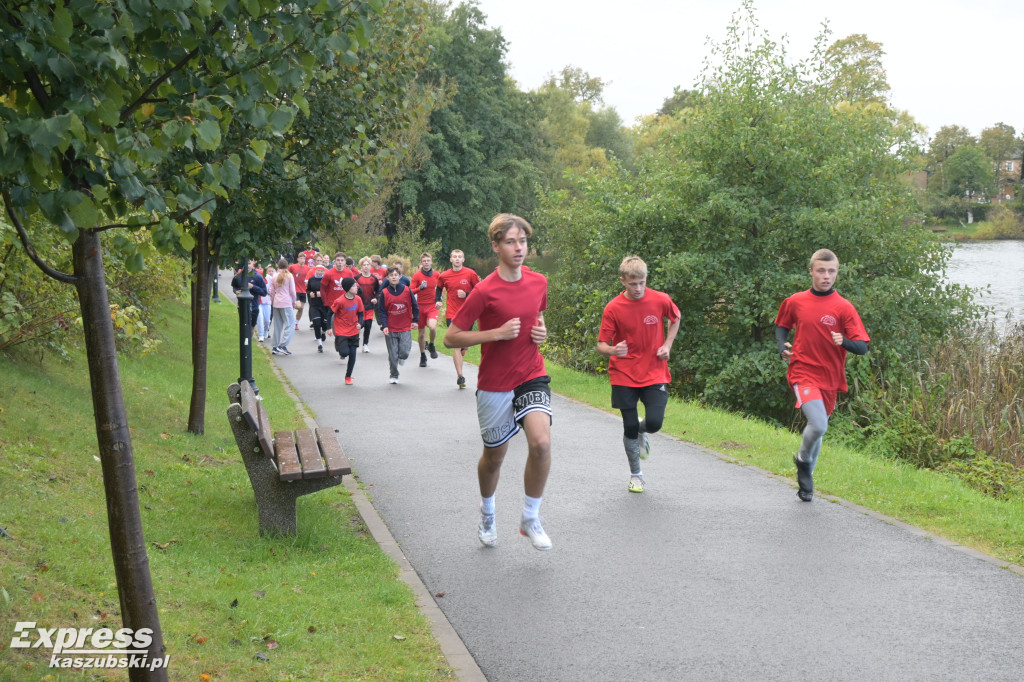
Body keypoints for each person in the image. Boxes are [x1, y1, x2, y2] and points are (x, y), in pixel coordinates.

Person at [444, 213, 553, 551]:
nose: (519, 248)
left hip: (531, 374)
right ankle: (488, 511)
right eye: (511, 242)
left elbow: (539, 315)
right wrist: (497, 334)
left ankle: (530, 517)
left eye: (522, 241)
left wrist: (542, 332)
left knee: (541, 444)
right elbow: (451, 337)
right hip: (494, 384)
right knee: (494, 458)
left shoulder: (539, 282)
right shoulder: (484, 290)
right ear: (496, 245)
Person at [775, 248, 870, 502]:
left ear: (837, 273)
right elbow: (782, 325)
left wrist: (845, 341)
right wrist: (782, 346)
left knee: (820, 429)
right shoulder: (795, 301)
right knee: (818, 424)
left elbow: (862, 346)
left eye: (831, 271)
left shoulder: (843, 307)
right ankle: (803, 462)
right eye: (821, 271)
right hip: (802, 371)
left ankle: (807, 482)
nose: (826, 276)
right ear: (811, 272)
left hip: (830, 378)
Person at [596, 256, 681, 493]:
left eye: (642, 283)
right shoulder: (613, 308)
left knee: (654, 423)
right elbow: (601, 345)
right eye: (633, 284)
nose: (638, 289)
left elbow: (676, 318)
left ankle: (644, 432)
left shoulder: (660, 299)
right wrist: (613, 350)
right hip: (623, 373)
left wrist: (667, 345)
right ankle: (636, 475)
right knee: (629, 425)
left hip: (654, 372)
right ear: (623, 281)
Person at [436, 249, 480, 388]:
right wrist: (438, 300)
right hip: (452, 313)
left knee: (464, 345)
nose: (456, 259)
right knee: (456, 345)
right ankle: (460, 376)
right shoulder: (444, 275)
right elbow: (438, 288)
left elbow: (480, 290)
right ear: (450, 259)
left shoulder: (470, 273)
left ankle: (463, 350)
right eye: (454, 257)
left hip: (468, 313)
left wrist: (466, 294)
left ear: (463, 259)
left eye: (459, 257)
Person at [376, 266, 419, 384]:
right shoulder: (384, 293)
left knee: (404, 352)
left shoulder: (406, 290)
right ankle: (394, 374)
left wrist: (415, 320)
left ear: (400, 276)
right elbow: (382, 311)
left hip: (405, 326)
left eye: (396, 275)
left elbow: (414, 306)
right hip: (391, 328)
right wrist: (384, 326)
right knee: (392, 354)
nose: (394, 277)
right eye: (391, 275)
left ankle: (402, 357)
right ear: (387, 278)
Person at [330, 277, 365, 385]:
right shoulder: (339, 301)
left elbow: (360, 314)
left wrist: (360, 323)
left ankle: (348, 376)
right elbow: (330, 313)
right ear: (348, 288)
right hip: (341, 331)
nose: (356, 287)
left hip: (354, 330)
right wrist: (328, 328)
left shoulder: (358, 299)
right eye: (354, 286)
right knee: (345, 352)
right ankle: (339, 346)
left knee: (353, 354)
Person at [410, 252, 442, 367]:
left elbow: (441, 288)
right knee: (422, 334)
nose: (426, 263)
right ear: (421, 263)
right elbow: (410, 291)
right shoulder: (417, 276)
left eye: (428, 260)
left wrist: (440, 299)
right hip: (419, 306)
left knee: (432, 326)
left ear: (431, 262)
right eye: (424, 261)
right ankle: (423, 355)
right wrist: (419, 288)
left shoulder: (437, 275)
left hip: (432, 306)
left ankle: (432, 345)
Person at [268, 257, 297, 355]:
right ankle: (283, 345)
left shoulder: (274, 276)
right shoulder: (289, 276)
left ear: (278, 266)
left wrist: (272, 301)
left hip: (276, 302)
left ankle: (275, 346)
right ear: (287, 266)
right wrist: (294, 301)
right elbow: (292, 291)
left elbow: (272, 291)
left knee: (278, 325)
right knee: (290, 324)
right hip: (286, 302)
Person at [230, 259, 267, 336]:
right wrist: (236, 291)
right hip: (242, 305)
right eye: (245, 263)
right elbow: (234, 286)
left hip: (254, 306)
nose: (247, 265)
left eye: (249, 263)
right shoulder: (238, 276)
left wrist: (253, 287)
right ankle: (244, 341)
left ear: (253, 263)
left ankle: (249, 341)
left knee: (251, 326)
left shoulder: (258, 277)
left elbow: (264, 292)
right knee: (243, 324)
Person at [356, 257, 381, 353]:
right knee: (360, 325)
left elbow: (378, 291)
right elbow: (353, 290)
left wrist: (376, 298)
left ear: (370, 266)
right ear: (361, 266)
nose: (366, 266)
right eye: (364, 265)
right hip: (359, 306)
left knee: (368, 326)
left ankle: (365, 345)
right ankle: (355, 338)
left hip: (370, 306)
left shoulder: (374, 279)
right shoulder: (357, 278)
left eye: (367, 265)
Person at [305, 264, 330, 353]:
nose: (320, 272)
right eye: (318, 270)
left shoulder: (326, 280)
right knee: (316, 323)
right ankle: (319, 344)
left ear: (324, 271)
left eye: (321, 271)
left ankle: (323, 332)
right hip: (314, 305)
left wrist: (323, 294)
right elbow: (308, 289)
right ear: (315, 271)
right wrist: (309, 293)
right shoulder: (311, 279)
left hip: (324, 305)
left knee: (324, 324)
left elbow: (330, 291)